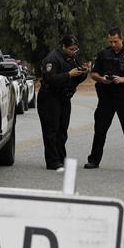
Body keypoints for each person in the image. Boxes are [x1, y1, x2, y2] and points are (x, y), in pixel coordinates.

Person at [84, 27, 124, 172]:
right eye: (110, 41)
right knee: (100, 130)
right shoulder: (103, 54)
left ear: (122, 39)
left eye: (115, 41)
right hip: (106, 97)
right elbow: (94, 74)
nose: (113, 44)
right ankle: (94, 160)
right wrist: (102, 79)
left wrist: (123, 79)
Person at [37, 34, 89, 172]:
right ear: (64, 46)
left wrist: (83, 73)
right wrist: (68, 75)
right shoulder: (52, 59)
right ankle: (53, 161)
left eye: (75, 49)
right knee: (51, 130)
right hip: (49, 97)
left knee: (62, 130)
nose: (73, 52)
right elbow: (50, 79)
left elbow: (75, 80)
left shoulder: (74, 59)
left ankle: (61, 158)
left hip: (64, 97)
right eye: (71, 49)